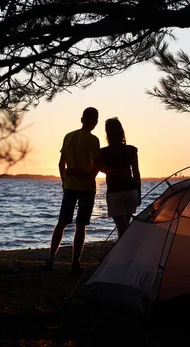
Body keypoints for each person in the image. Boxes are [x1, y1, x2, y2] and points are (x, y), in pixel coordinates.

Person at [42, 107, 101, 274]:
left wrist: (64, 181)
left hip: (69, 186)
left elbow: (61, 163)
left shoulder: (68, 136)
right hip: (86, 188)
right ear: (95, 122)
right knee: (80, 225)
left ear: (81, 119)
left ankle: (50, 259)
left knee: (61, 223)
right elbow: (96, 162)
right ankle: (75, 263)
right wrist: (90, 176)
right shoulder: (93, 140)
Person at [99, 117, 141, 239]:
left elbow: (97, 167)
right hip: (130, 191)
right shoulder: (131, 150)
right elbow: (136, 173)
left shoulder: (103, 152)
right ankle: (125, 254)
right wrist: (138, 193)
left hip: (114, 192)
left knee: (122, 228)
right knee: (124, 226)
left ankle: (128, 250)